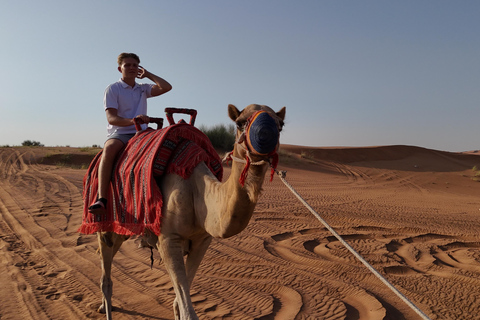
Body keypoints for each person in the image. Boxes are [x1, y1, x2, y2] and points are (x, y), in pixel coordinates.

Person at [88, 52, 172, 214]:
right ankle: (102, 198)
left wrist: (148, 75)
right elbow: (112, 118)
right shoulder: (113, 89)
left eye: (135, 65)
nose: (132, 68)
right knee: (110, 149)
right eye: (127, 65)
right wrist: (134, 120)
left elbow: (167, 87)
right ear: (120, 69)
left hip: (143, 132)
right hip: (121, 132)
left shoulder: (143, 89)